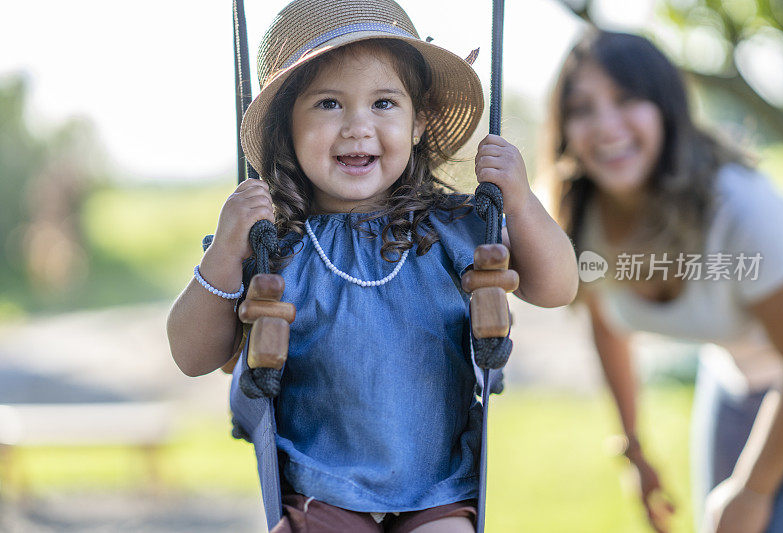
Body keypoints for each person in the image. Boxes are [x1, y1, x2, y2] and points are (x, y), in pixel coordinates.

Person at [167, 0, 578, 531]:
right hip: (322, 491)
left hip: (440, 490)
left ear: (418, 123)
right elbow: (191, 355)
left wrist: (521, 204)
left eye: (384, 103)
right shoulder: (275, 248)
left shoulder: (451, 229)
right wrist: (224, 251)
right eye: (328, 104)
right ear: (286, 127)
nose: (358, 127)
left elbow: (558, 287)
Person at [543, 29, 783, 533]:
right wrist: (633, 449)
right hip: (734, 386)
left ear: (666, 108)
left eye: (627, 99)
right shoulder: (581, 218)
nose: (605, 126)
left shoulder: (744, 212)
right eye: (582, 109)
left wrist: (752, 491)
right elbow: (608, 324)